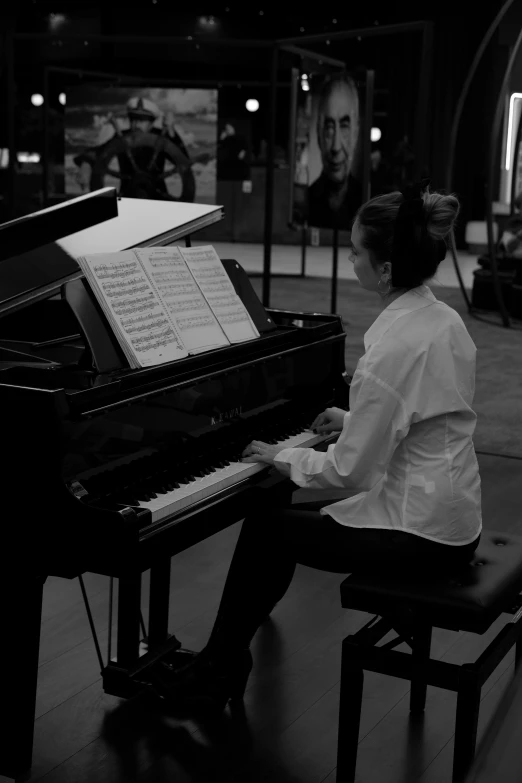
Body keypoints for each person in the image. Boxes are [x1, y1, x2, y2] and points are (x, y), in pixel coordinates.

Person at [150, 181, 482, 716]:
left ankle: (218, 669)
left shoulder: (390, 346)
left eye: (354, 252)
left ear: (386, 270)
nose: (349, 260)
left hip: (419, 532)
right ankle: (224, 658)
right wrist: (352, 419)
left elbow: (351, 472)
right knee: (274, 513)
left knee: (267, 528)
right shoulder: (442, 320)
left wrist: (281, 454)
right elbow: (420, 417)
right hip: (455, 516)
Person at [74, 97, 194, 200]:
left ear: (152, 123)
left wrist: (171, 131)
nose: (136, 124)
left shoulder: (160, 139)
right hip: (128, 198)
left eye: (142, 120)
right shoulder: (121, 139)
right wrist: (86, 165)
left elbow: (183, 162)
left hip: (158, 200)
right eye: (133, 119)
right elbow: (100, 152)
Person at [307, 74, 363, 229]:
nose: (336, 147)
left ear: (356, 132)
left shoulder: (367, 201)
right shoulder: (306, 201)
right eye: (329, 128)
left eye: (344, 127)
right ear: (318, 133)